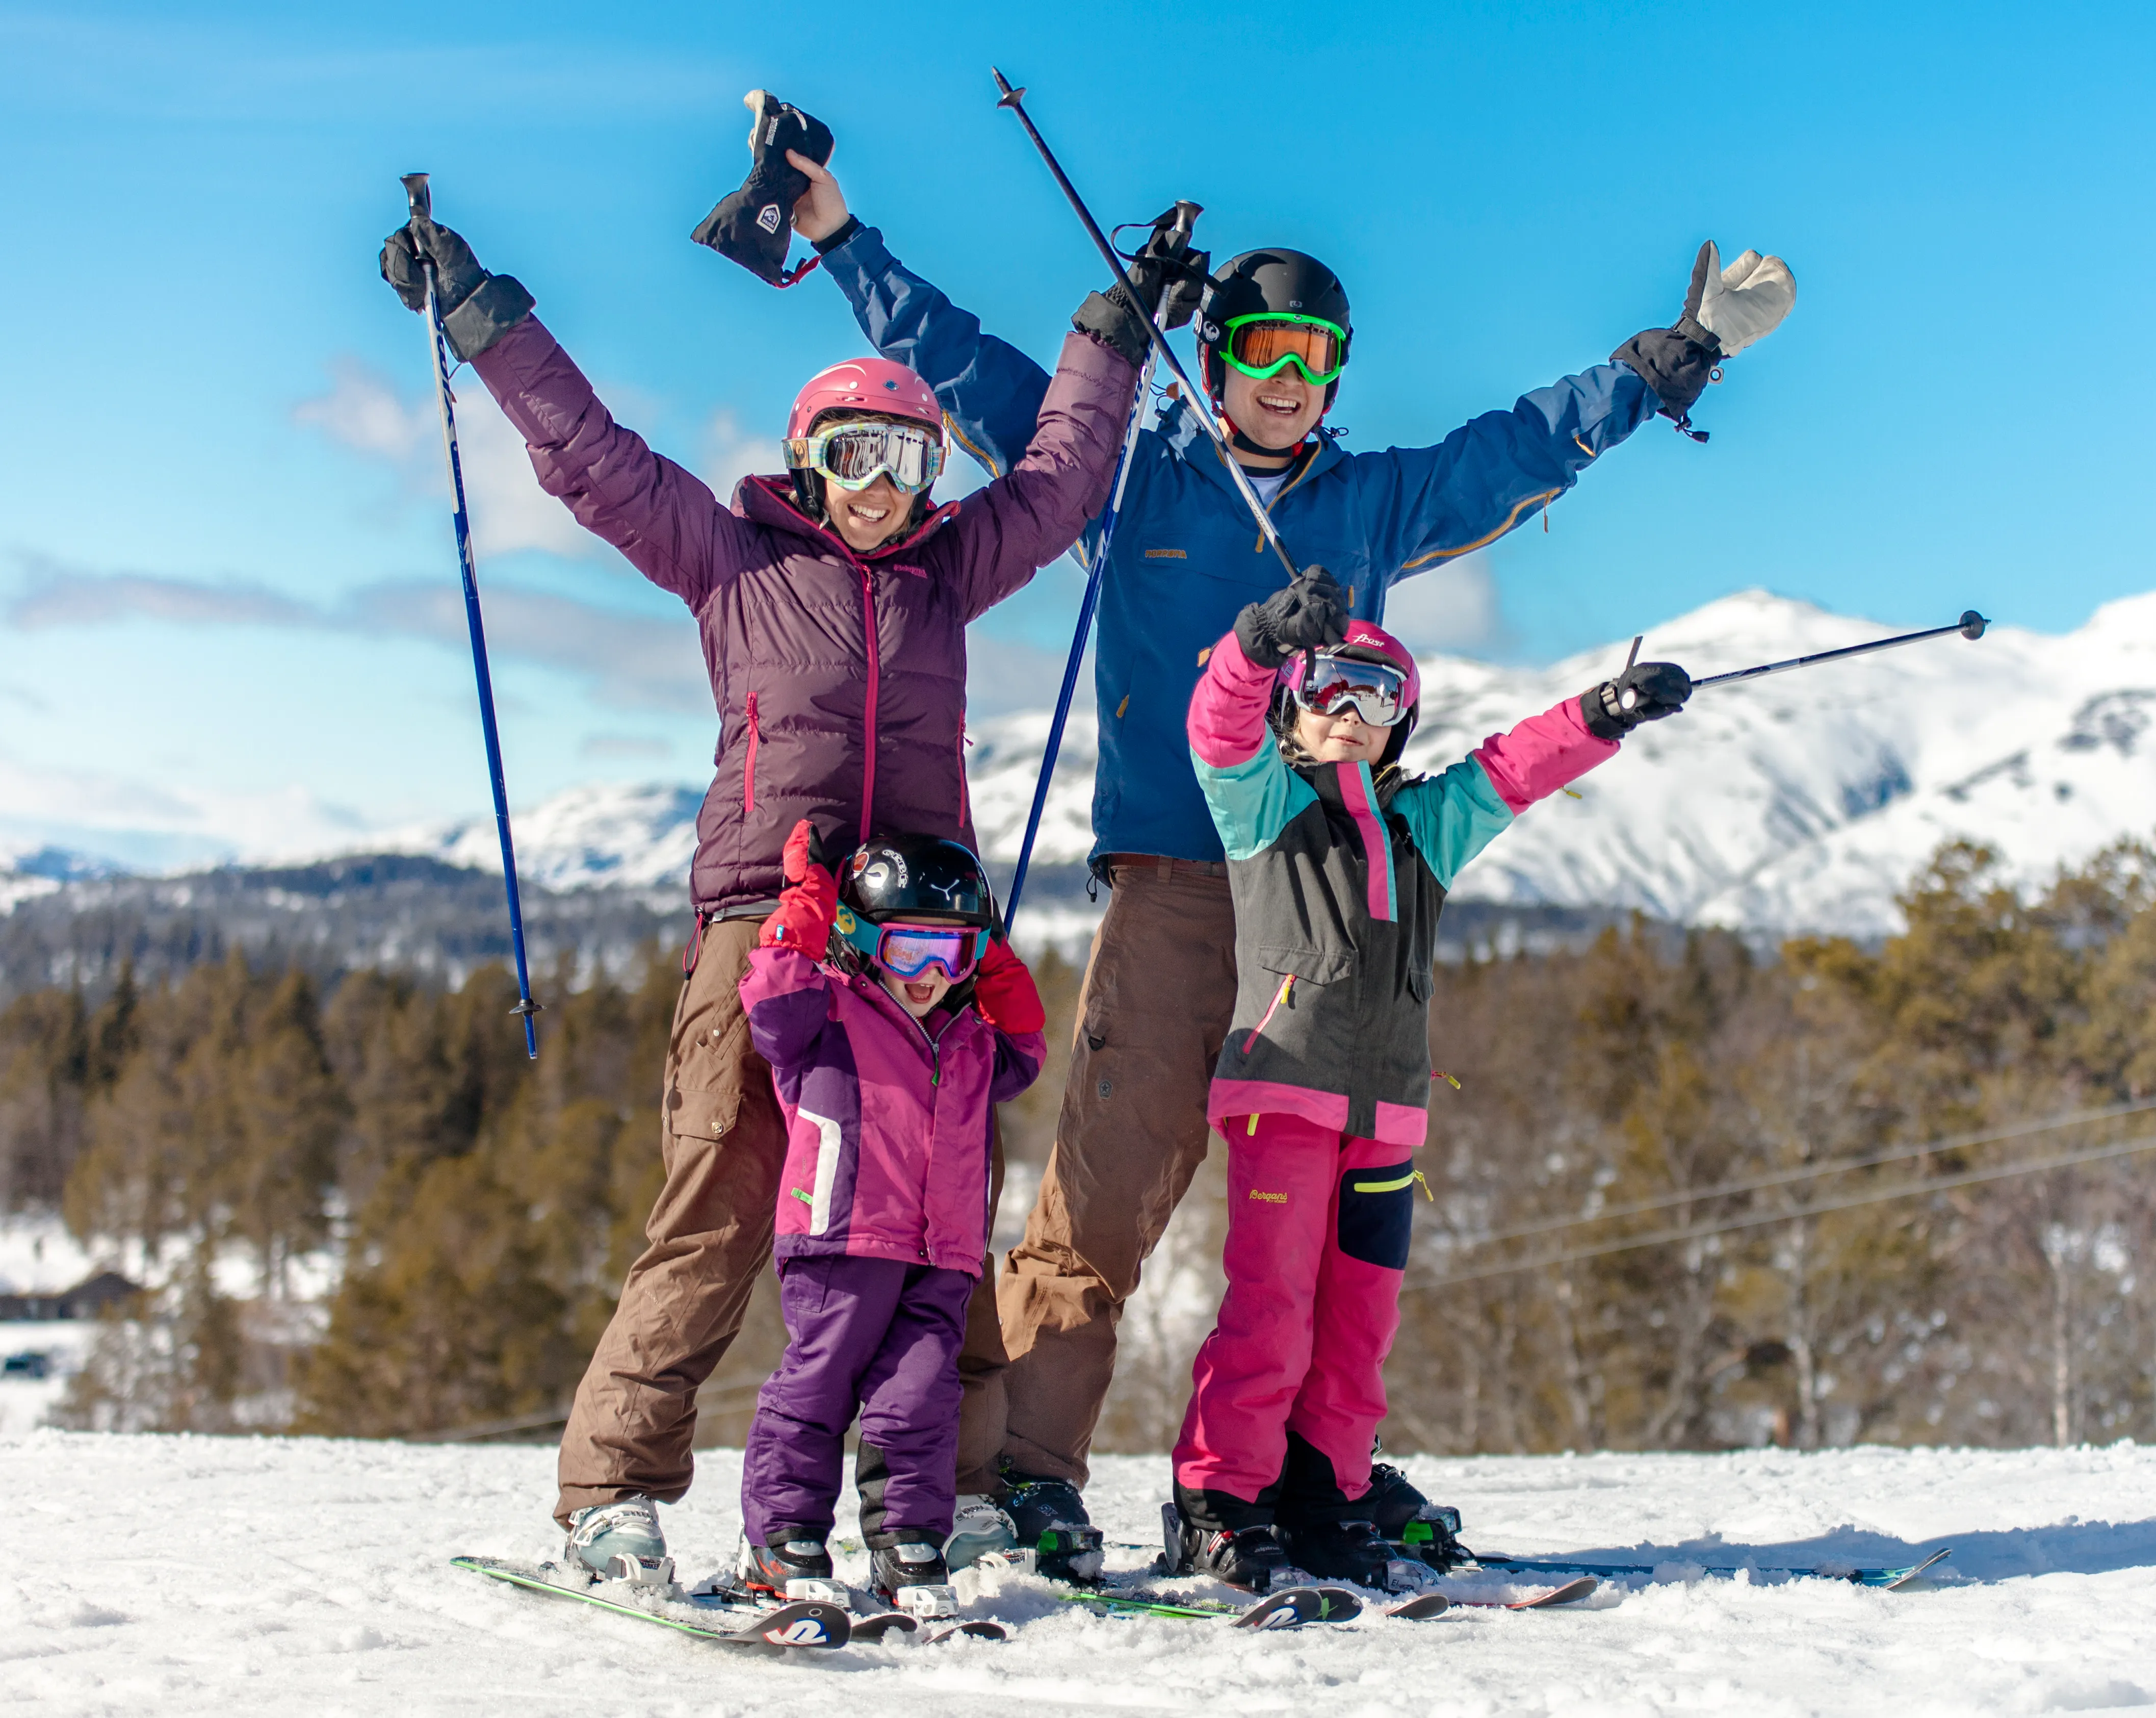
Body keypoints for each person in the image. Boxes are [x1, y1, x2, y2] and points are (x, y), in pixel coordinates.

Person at [783, 146, 1795, 1568]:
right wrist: (836, 234)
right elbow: (956, 364)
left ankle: (1295, 1475)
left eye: (1316, 355)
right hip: (1181, 888)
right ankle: (1014, 1470)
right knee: (1108, 1195)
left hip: (1321, 908)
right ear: (1216, 355)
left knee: (1311, 1230)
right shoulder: (1127, 482)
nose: (1288, 376)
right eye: (1262, 346)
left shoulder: (1369, 502)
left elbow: (1512, 449)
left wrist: (1661, 361)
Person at [378, 208, 1150, 1585]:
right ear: (810, 462)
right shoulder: (732, 561)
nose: (881, 483)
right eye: (854, 455)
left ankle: (952, 1494)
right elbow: (591, 458)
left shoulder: (946, 574)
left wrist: (1108, 333)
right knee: (725, 1204)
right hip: (765, 934)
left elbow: (1058, 480)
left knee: (935, 1224)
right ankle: (609, 1492)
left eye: (908, 458)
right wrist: (484, 316)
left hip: (916, 950)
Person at [1166, 574, 1695, 1590]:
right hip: (1284, 1099)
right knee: (1271, 1311)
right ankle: (1221, 1503)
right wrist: (1256, 644)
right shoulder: (1263, 806)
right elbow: (1218, 724)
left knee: (1360, 1324)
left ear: (1401, 719)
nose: (1353, 716)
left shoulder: (1425, 827)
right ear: (1295, 703)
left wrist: (1602, 713)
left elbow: (1512, 769)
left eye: (1378, 697)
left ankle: (1330, 1500)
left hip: (1388, 1115)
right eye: (1330, 691)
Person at [731, 824, 1047, 1619]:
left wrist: (994, 950)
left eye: (954, 956)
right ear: (865, 941)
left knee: (919, 1401)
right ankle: (783, 1537)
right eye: (912, 951)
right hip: (841, 1238)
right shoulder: (826, 1014)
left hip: (942, 1253)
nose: (931, 975)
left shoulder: (974, 1037)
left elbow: (1029, 1040)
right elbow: (771, 988)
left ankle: (907, 1544)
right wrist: (811, 902)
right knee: (818, 1385)